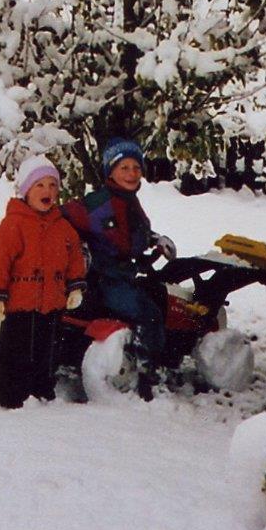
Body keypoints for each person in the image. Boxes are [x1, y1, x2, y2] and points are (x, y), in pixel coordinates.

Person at [0, 156, 88, 409]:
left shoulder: (63, 227)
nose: (47, 191)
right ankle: (12, 395)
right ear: (26, 190)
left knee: (47, 353)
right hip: (20, 306)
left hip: (52, 305)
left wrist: (75, 286)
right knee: (15, 352)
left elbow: (75, 258)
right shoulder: (14, 224)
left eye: (52, 185)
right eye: (39, 185)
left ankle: (42, 392)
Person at [63, 137, 176, 362]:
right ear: (110, 172)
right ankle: (145, 364)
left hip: (124, 275)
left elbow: (130, 234)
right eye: (124, 167)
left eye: (136, 167)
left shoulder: (128, 200)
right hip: (104, 281)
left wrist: (154, 240)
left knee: (160, 297)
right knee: (149, 314)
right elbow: (62, 216)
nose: (132, 173)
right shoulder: (99, 203)